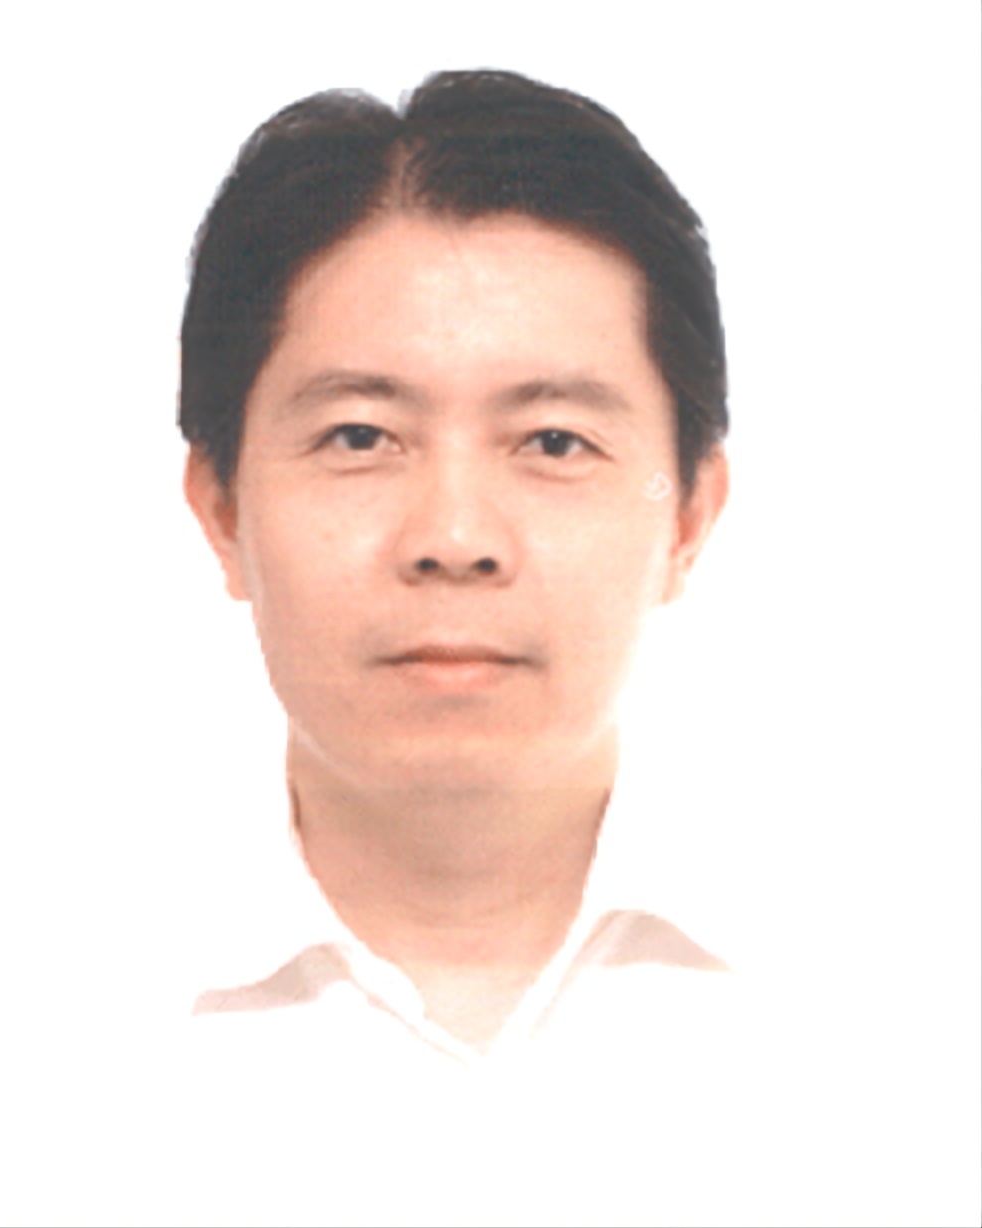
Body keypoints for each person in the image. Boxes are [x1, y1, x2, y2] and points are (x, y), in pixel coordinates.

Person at [174, 68, 755, 1222]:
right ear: (222, 511)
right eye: (359, 435)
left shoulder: (920, 1011)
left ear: (687, 515)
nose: (452, 538)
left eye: (552, 440)